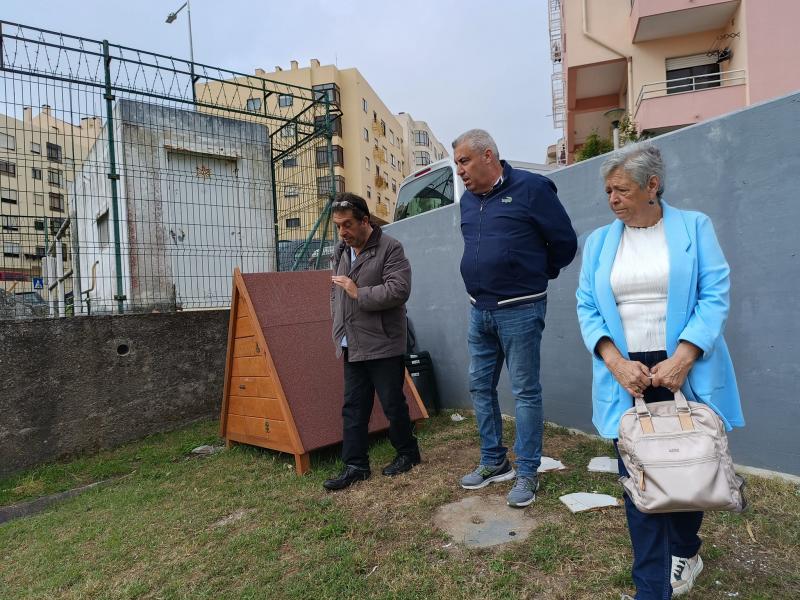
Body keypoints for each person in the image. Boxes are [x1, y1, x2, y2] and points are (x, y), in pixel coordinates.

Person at [576, 143, 744, 599]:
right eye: (608, 190)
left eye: (622, 189)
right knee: (640, 480)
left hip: (685, 364)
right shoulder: (599, 243)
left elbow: (715, 294)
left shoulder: (693, 227)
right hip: (626, 372)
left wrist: (685, 356)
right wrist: (613, 361)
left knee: (691, 468)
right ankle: (651, 588)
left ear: (653, 185)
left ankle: (686, 550)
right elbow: (587, 306)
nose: (612, 199)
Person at [453, 129, 577, 507]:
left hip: (521, 308)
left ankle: (526, 472)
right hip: (480, 310)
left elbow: (564, 244)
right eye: (457, 163)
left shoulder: (532, 188)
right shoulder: (467, 202)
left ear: (488, 156)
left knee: (525, 391)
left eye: (464, 161)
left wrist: (537, 275)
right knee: (479, 387)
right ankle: (494, 461)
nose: (459, 171)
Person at [323, 193, 421, 491]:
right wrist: (337, 322)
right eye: (338, 226)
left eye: (348, 224)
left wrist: (358, 293)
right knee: (353, 406)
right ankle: (356, 465)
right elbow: (334, 293)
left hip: (382, 341)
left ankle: (408, 453)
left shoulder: (390, 248)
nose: (343, 232)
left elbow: (399, 290)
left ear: (365, 221)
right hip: (351, 342)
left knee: (392, 402)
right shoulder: (341, 251)